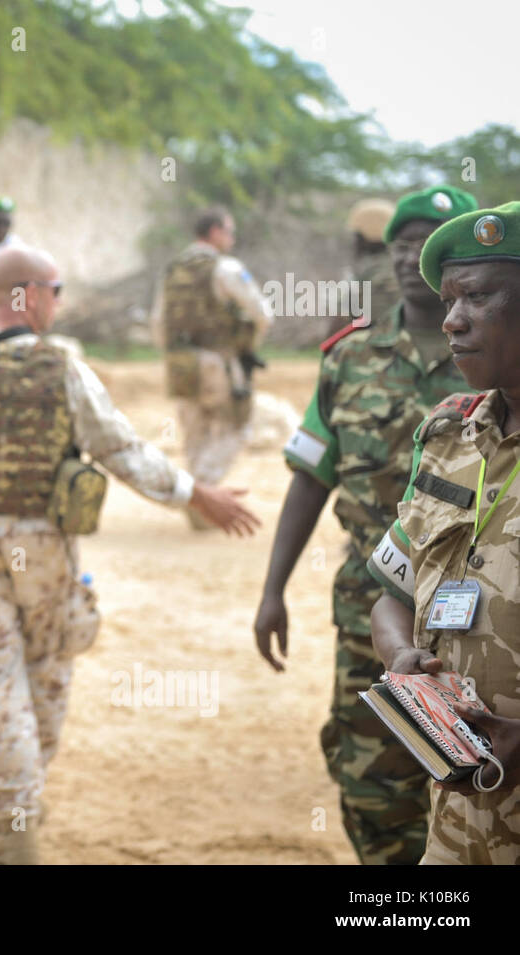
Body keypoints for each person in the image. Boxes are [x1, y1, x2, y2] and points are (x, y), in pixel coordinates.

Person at [0, 245, 260, 863]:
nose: (60, 299)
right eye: (56, 286)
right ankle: (24, 801)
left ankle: (14, 812)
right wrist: (195, 494)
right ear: (28, 293)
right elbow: (123, 450)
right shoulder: (61, 367)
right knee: (47, 670)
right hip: (43, 546)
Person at [253, 186, 477, 865]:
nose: (412, 256)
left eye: (428, 241)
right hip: (369, 598)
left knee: (473, 766)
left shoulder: (493, 357)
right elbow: (310, 477)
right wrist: (273, 589)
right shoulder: (349, 357)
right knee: (370, 770)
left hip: (483, 601)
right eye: (401, 243)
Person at [368, 200, 520, 865]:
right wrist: (401, 657)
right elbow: (392, 589)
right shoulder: (451, 435)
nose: (451, 320)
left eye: (477, 298)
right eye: (449, 300)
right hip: (458, 827)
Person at [153, 206, 274, 523]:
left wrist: (173, 352)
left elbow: (158, 322)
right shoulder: (226, 269)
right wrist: (247, 343)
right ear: (216, 232)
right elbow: (262, 313)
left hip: (178, 361)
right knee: (237, 425)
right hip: (218, 361)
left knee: (195, 432)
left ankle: (198, 499)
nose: (232, 239)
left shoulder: (173, 270)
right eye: (229, 231)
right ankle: (202, 493)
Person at [332, 197, 399, 337]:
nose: (354, 241)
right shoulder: (406, 267)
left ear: (369, 234)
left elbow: (337, 330)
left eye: (357, 235)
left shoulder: (369, 275)